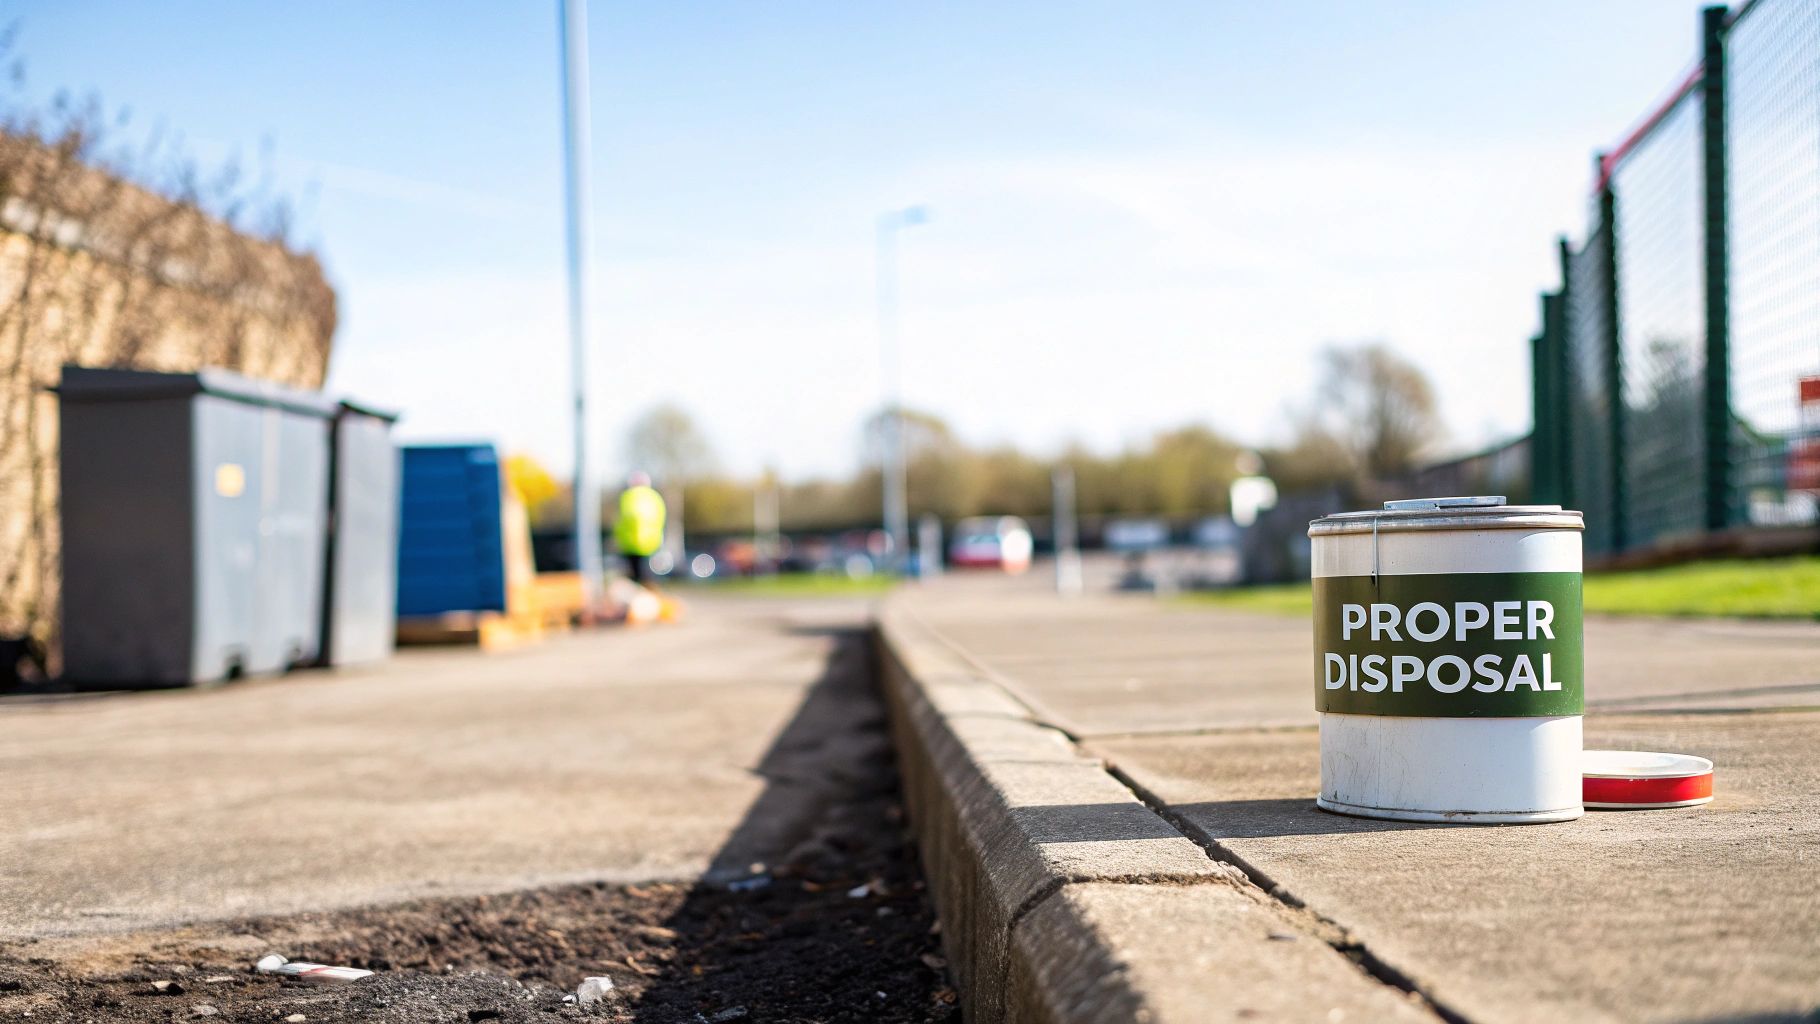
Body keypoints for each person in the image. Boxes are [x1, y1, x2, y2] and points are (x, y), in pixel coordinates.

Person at [615, 472, 666, 584]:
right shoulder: (655, 496)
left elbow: (623, 519)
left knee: (634, 576)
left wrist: (618, 536)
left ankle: (639, 596)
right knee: (648, 575)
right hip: (652, 542)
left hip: (631, 543)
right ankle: (650, 593)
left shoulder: (628, 496)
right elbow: (661, 517)